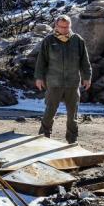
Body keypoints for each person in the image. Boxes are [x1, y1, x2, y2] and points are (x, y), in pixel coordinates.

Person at [34, 14, 92, 144]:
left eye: (67, 27)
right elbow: (41, 61)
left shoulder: (78, 40)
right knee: (49, 112)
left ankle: (72, 140)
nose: (65, 30)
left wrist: (87, 77)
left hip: (73, 83)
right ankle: (43, 138)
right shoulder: (48, 40)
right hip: (54, 83)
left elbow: (85, 61)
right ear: (56, 26)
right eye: (62, 27)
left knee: (73, 115)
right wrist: (39, 77)